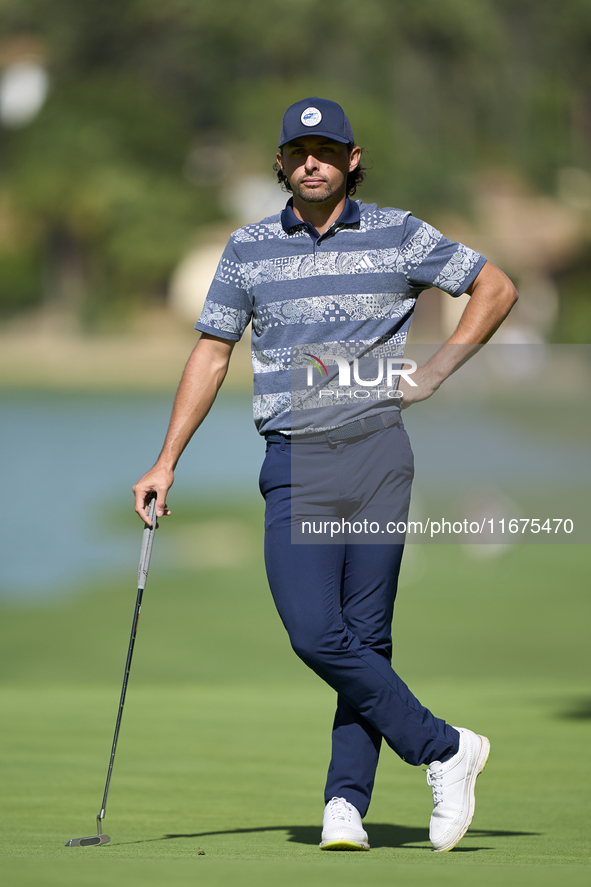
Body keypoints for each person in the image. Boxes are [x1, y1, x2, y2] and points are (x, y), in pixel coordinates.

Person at [133, 97, 518, 853]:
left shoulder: (398, 232)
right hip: (295, 457)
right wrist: (165, 459)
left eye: (325, 148)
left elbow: (494, 287)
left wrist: (436, 369)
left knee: (365, 638)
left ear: (351, 157)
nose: (311, 160)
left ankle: (345, 804)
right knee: (315, 631)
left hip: (377, 450)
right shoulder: (246, 248)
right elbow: (211, 352)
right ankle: (445, 747)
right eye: (297, 150)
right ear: (281, 163)